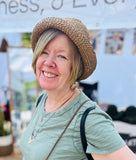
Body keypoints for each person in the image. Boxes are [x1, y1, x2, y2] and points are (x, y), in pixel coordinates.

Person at [20, 17, 136, 160]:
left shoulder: (90, 120)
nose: (48, 62)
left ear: (75, 67)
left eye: (61, 56)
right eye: (44, 52)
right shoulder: (42, 99)